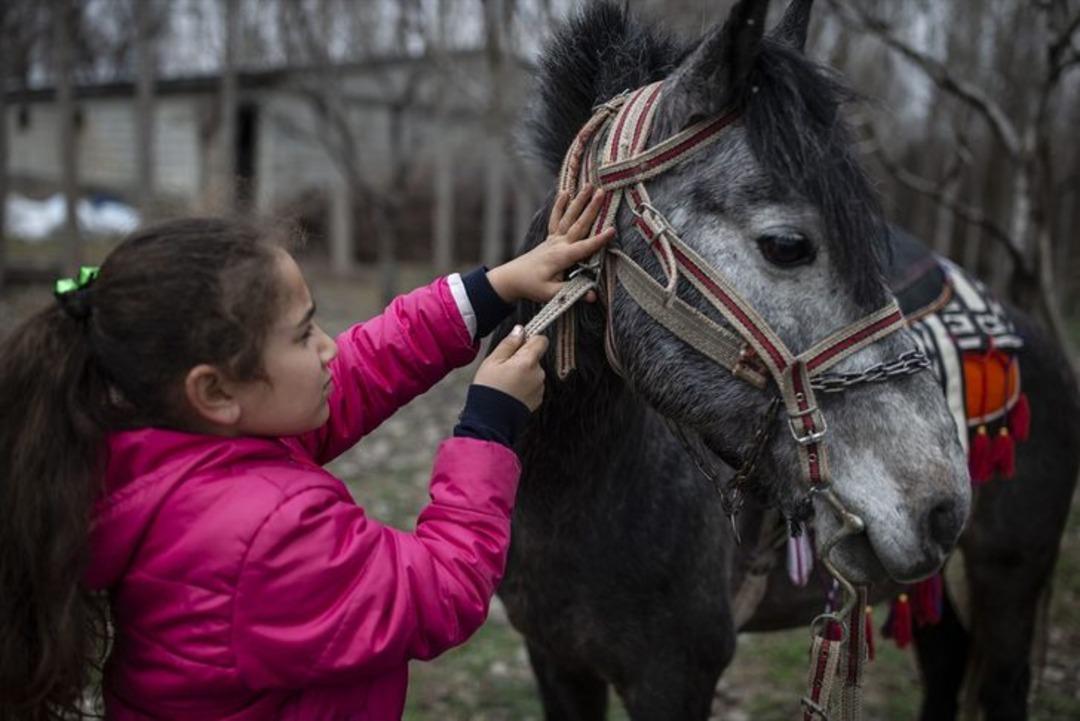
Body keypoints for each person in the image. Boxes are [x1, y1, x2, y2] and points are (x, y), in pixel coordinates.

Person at [0, 186, 613, 720]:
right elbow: (442, 591)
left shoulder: (180, 445)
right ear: (214, 389)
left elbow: (361, 368)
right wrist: (489, 427)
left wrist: (495, 287)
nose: (328, 348)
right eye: (303, 334)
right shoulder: (257, 540)